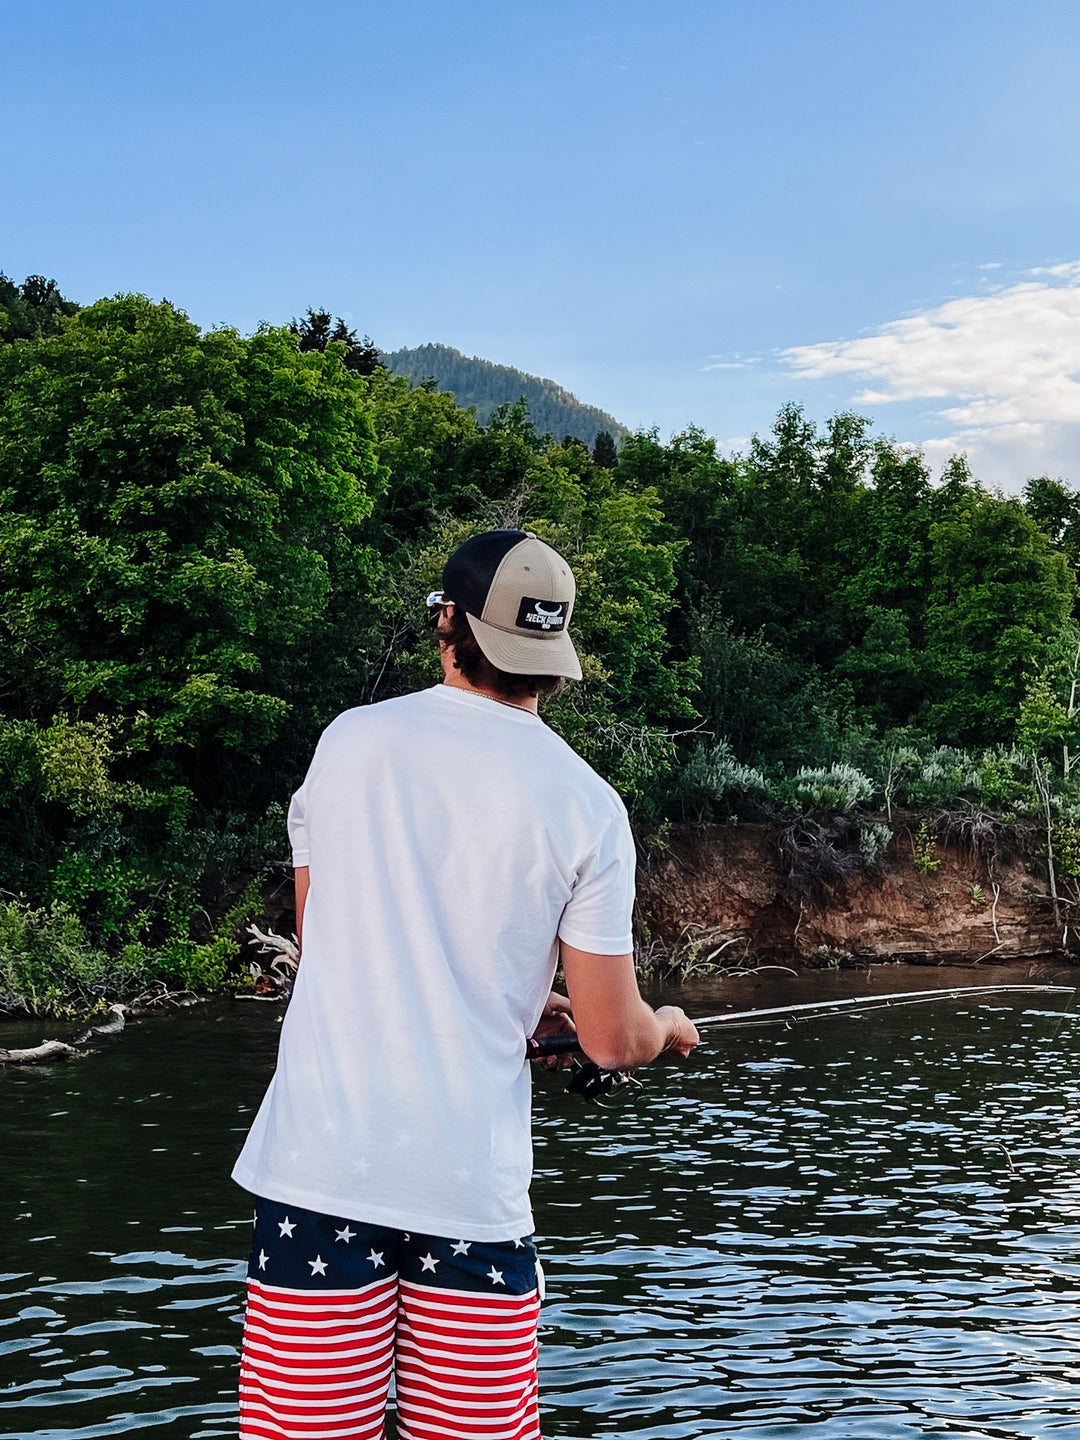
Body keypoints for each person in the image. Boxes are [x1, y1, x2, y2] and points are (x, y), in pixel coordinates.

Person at [232, 528, 699, 1440]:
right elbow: (612, 1041)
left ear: (447, 621)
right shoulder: (587, 804)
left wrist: (516, 1004)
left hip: (320, 1177)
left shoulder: (350, 743)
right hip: (469, 1199)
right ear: (551, 657)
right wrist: (664, 1026)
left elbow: (322, 933)